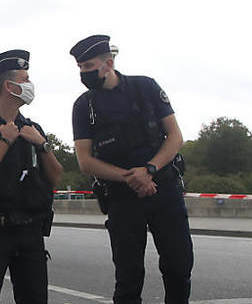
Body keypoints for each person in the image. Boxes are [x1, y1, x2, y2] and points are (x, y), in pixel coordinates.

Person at [69, 34, 193, 304]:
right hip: (122, 197)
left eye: (88, 66)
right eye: (80, 67)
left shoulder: (145, 88)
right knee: (128, 277)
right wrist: (130, 178)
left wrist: (149, 170)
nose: (83, 73)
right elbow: (85, 161)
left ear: (108, 64)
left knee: (179, 266)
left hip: (163, 189)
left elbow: (175, 137)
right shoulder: (83, 106)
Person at [0, 49, 62, 304]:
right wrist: (6, 140)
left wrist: (42, 145)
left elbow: (55, 177)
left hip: (30, 230)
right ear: (10, 86)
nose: (30, 84)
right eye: (25, 79)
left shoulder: (33, 129)